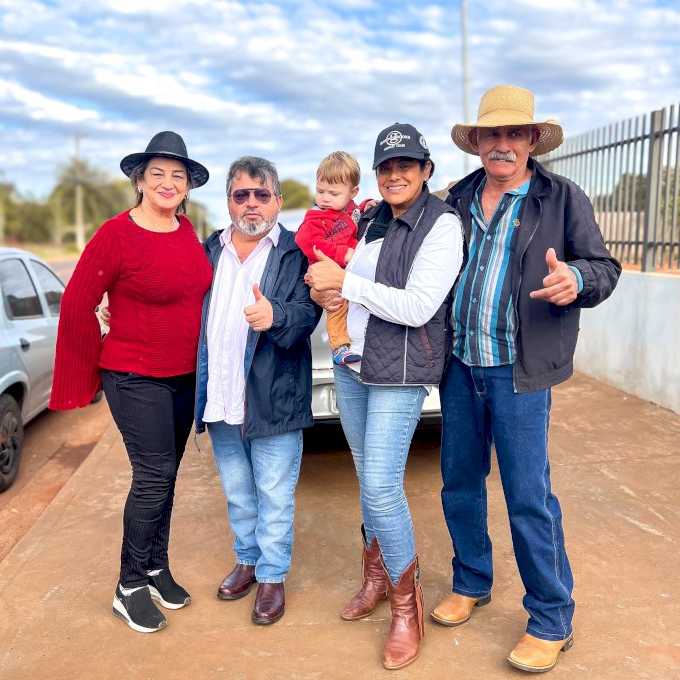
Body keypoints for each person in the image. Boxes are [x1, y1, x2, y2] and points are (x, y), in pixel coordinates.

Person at [430, 85, 621, 673]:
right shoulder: (455, 199)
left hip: (519, 372)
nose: (504, 144)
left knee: (527, 496)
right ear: (478, 142)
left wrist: (578, 282)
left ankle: (550, 616)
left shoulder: (561, 198)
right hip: (460, 366)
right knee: (459, 483)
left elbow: (604, 266)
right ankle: (471, 581)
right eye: (493, 134)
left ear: (533, 140)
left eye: (516, 134)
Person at [306, 123, 463, 669]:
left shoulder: (442, 225)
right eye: (386, 167)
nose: (395, 175)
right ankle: (374, 577)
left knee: (380, 487)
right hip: (354, 365)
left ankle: (406, 606)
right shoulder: (371, 218)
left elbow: (419, 306)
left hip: (399, 373)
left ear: (425, 171)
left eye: (406, 166)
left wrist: (343, 283)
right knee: (362, 471)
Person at [49, 131, 212, 634]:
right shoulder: (115, 234)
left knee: (168, 475)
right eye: (157, 173)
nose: (168, 183)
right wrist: (88, 369)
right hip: (134, 376)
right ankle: (129, 586)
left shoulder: (186, 231)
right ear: (139, 180)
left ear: (187, 189)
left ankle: (156, 566)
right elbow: (78, 300)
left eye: (178, 176)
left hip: (184, 376)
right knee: (153, 475)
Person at [195, 156, 321, 626]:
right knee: (237, 491)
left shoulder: (294, 252)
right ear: (228, 200)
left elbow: (308, 316)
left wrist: (278, 317)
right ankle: (247, 561)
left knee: (273, 492)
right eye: (241, 194)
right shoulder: (210, 249)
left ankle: (272, 575)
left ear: (278, 201)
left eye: (261, 194)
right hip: (220, 395)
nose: (251, 203)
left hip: (273, 399)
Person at [295, 150, 361, 365]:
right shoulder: (316, 216)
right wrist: (344, 253)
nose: (325, 198)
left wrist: (368, 204)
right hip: (322, 275)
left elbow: (356, 212)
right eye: (320, 191)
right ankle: (339, 347)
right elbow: (308, 243)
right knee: (337, 304)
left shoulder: (348, 212)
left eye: (333, 194)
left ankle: (349, 342)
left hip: (342, 274)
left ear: (353, 192)